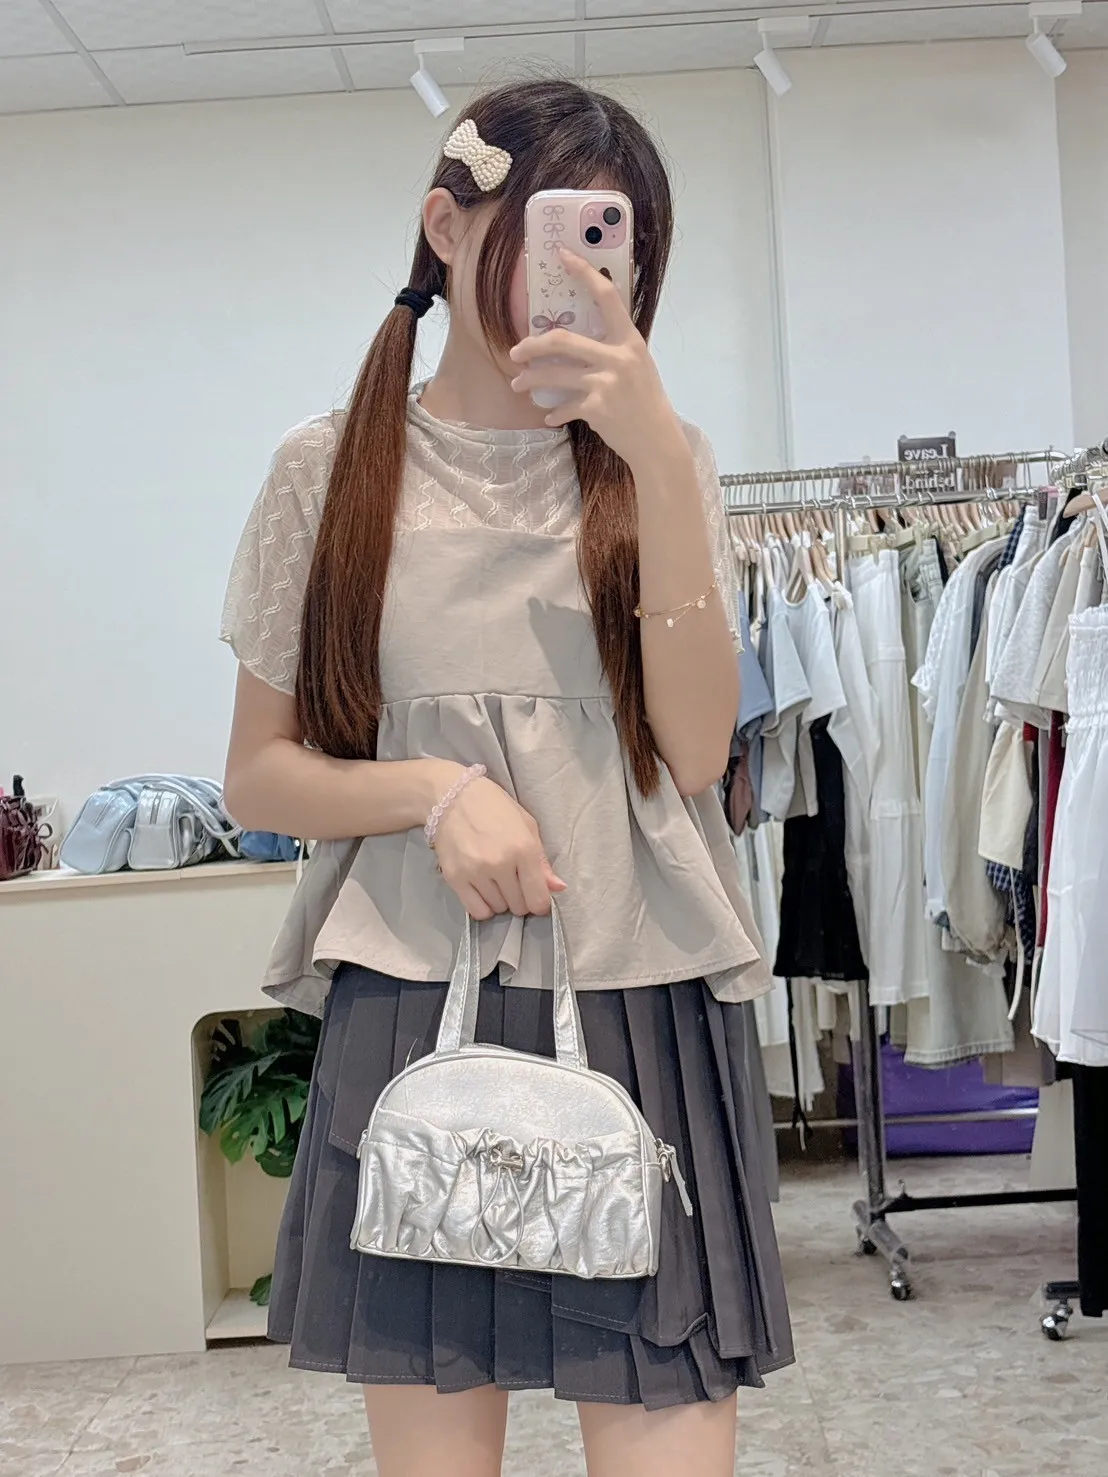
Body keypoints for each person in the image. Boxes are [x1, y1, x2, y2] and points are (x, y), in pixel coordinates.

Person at [221, 77, 792, 1477]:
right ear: (447, 226)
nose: (585, 277)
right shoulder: (330, 469)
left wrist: (659, 462)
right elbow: (261, 776)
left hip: (643, 993)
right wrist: (432, 792)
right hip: (419, 1004)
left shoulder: (664, 463)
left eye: (617, 245)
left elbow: (697, 754)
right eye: (555, 235)